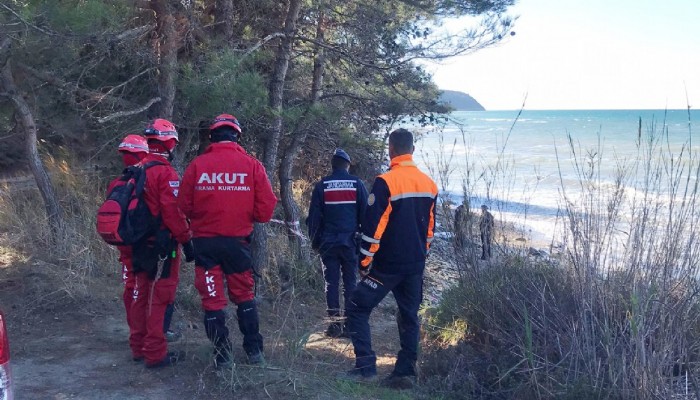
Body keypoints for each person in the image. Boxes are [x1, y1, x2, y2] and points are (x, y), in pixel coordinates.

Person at [178, 114, 277, 367]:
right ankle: (254, 352)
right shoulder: (252, 165)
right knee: (244, 296)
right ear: (237, 136)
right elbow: (265, 211)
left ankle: (223, 356)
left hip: (205, 245)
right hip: (237, 245)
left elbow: (184, 206)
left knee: (212, 300)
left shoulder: (197, 165)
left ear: (212, 136)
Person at [345, 128, 438, 389]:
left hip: (388, 266)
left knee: (356, 305)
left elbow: (374, 228)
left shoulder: (386, 181)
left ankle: (365, 367)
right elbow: (430, 228)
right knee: (409, 315)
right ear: (413, 150)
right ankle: (405, 372)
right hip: (415, 264)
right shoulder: (429, 183)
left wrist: (364, 262)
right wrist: (423, 254)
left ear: (391, 149)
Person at [130, 118, 194, 368]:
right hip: (163, 246)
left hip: (138, 243)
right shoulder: (165, 172)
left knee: (141, 294)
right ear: (169, 142)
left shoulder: (136, 169)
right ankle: (155, 354)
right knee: (161, 296)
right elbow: (173, 212)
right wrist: (187, 239)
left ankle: (138, 347)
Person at [307, 148, 368, 338]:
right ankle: (350, 327)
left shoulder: (322, 186)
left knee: (331, 284)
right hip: (350, 243)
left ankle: (334, 326)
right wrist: (365, 246)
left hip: (328, 243)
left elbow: (314, 218)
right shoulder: (357, 184)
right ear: (347, 166)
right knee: (350, 283)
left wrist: (315, 242)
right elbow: (366, 216)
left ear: (332, 166)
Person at [106, 134, 149, 350]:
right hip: (138, 243)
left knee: (129, 286)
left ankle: (135, 333)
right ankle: (140, 337)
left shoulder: (116, 183)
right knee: (140, 290)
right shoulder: (144, 179)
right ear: (142, 154)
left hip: (122, 243)